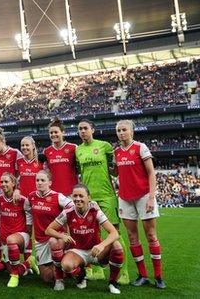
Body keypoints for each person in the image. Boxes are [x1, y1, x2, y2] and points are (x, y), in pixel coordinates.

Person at [75, 119, 129, 284]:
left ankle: (123, 272)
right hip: (88, 197)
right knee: (92, 235)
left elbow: (116, 170)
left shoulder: (105, 146)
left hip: (107, 196)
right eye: (80, 129)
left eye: (85, 128)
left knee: (115, 233)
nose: (82, 131)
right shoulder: (78, 151)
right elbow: (79, 172)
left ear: (92, 129)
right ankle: (97, 269)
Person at [45, 184, 125, 294]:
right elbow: (48, 230)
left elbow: (114, 233)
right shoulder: (68, 212)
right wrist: (62, 236)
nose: (78, 199)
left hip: (95, 251)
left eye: (81, 196)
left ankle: (113, 283)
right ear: (72, 197)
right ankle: (80, 274)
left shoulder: (95, 211)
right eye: (75, 196)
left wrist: (101, 245)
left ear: (88, 197)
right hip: (77, 252)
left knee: (116, 246)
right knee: (66, 264)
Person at [114, 120, 165, 289]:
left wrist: (151, 197)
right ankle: (142, 275)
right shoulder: (117, 152)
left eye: (124, 130)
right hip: (125, 198)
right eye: (119, 130)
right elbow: (116, 172)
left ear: (132, 131)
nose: (121, 133)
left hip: (144, 196)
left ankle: (158, 277)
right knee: (132, 237)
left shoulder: (141, 147)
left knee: (151, 236)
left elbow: (151, 173)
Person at [0, 128, 27, 263]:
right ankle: (2, 256)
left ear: (3, 141)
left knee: (15, 219)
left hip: (11, 191)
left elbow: (21, 172)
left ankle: (24, 252)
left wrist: (18, 189)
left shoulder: (15, 153)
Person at [27, 170, 73, 285]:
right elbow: (28, 212)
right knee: (47, 278)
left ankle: (66, 273)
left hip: (58, 237)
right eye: (37, 180)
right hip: (40, 239)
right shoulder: (31, 197)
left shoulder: (57, 196)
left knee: (54, 242)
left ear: (50, 183)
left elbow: (72, 208)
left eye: (43, 180)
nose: (39, 183)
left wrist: (62, 220)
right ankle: (72, 270)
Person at [0, 172, 37, 288]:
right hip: (6, 239)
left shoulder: (22, 199)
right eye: (2, 182)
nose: (3, 184)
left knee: (11, 240)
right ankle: (28, 263)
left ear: (13, 183)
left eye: (6, 182)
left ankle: (14, 276)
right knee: (14, 269)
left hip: (21, 236)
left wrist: (28, 227)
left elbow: (29, 213)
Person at [42, 118, 79, 196]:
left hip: (71, 193)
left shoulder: (73, 148)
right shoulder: (46, 151)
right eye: (51, 133)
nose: (53, 134)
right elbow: (46, 172)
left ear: (63, 133)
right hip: (53, 193)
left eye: (56, 132)